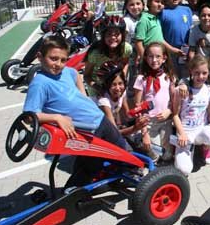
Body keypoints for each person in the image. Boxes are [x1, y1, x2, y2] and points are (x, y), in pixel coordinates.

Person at [23, 35, 127, 188]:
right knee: (90, 165)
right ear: (40, 57)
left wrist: (83, 97)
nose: (58, 64)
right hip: (88, 131)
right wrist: (57, 117)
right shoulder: (40, 83)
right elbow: (28, 117)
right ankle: (70, 195)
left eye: (63, 60)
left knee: (121, 148)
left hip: (99, 118)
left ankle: (118, 174)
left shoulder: (65, 72)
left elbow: (76, 74)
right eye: (53, 59)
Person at [172, 55, 210, 175]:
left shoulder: (208, 90)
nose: (201, 76)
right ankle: (187, 149)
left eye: (204, 73)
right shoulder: (182, 90)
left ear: (208, 72)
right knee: (184, 170)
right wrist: (182, 134)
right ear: (191, 71)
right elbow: (175, 115)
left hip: (200, 129)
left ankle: (205, 147)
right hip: (185, 132)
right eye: (197, 73)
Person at [134, 42, 177, 162]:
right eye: (150, 56)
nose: (154, 60)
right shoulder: (141, 79)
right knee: (154, 154)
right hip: (149, 123)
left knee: (167, 154)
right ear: (146, 57)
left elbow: (174, 101)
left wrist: (169, 111)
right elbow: (138, 108)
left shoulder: (169, 77)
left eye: (158, 56)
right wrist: (144, 133)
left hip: (165, 121)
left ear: (164, 58)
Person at [96, 61, 149, 150]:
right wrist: (135, 128)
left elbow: (127, 114)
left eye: (120, 83)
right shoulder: (104, 102)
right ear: (107, 86)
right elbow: (114, 133)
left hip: (111, 128)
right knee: (129, 150)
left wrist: (138, 113)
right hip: (99, 133)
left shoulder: (122, 93)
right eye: (113, 85)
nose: (118, 88)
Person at [84, 15, 132, 98]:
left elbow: (125, 63)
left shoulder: (126, 49)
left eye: (117, 34)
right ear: (103, 36)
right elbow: (87, 76)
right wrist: (98, 88)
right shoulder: (95, 53)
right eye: (109, 34)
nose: (113, 37)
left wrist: (122, 78)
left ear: (123, 35)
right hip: (97, 89)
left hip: (116, 87)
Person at [159, 0, 192, 78]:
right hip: (170, 52)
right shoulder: (162, 12)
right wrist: (171, 49)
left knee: (186, 77)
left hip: (185, 51)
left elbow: (190, 29)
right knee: (173, 77)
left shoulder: (186, 10)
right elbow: (159, 35)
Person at [123, 0, 145, 95]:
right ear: (126, 7)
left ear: (143, 5)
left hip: (145, 56)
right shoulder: (126, 21)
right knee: (133, 82)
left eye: (138, 3)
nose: (135, 7)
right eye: (131, 4)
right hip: (131, 59)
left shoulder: (145, 18)